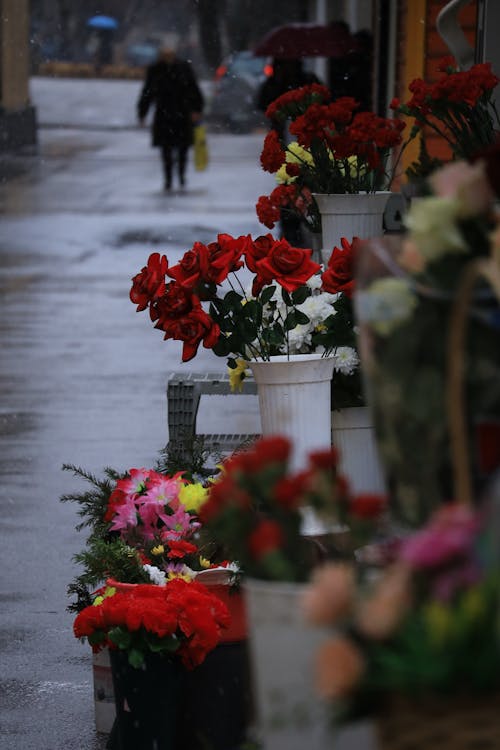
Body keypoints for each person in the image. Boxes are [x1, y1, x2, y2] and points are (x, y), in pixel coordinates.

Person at [257, 58, 321, 245]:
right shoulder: (305, 79)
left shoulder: (277, 82)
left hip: (295, 144)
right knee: (297, 189)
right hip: (295, 144)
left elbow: (262, 103)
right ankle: (295, 231)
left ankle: (292, 232)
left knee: (291, 189)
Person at [137, 39, 204, 191]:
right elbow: (147, 93)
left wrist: (196, 110)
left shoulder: (184, 68)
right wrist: (142, 112)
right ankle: (168, 179)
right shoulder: (155, 70)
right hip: (164, 114)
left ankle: (181, 176)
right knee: (166, 150)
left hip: (182, 113)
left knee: (182, 149)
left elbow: (194, 90)